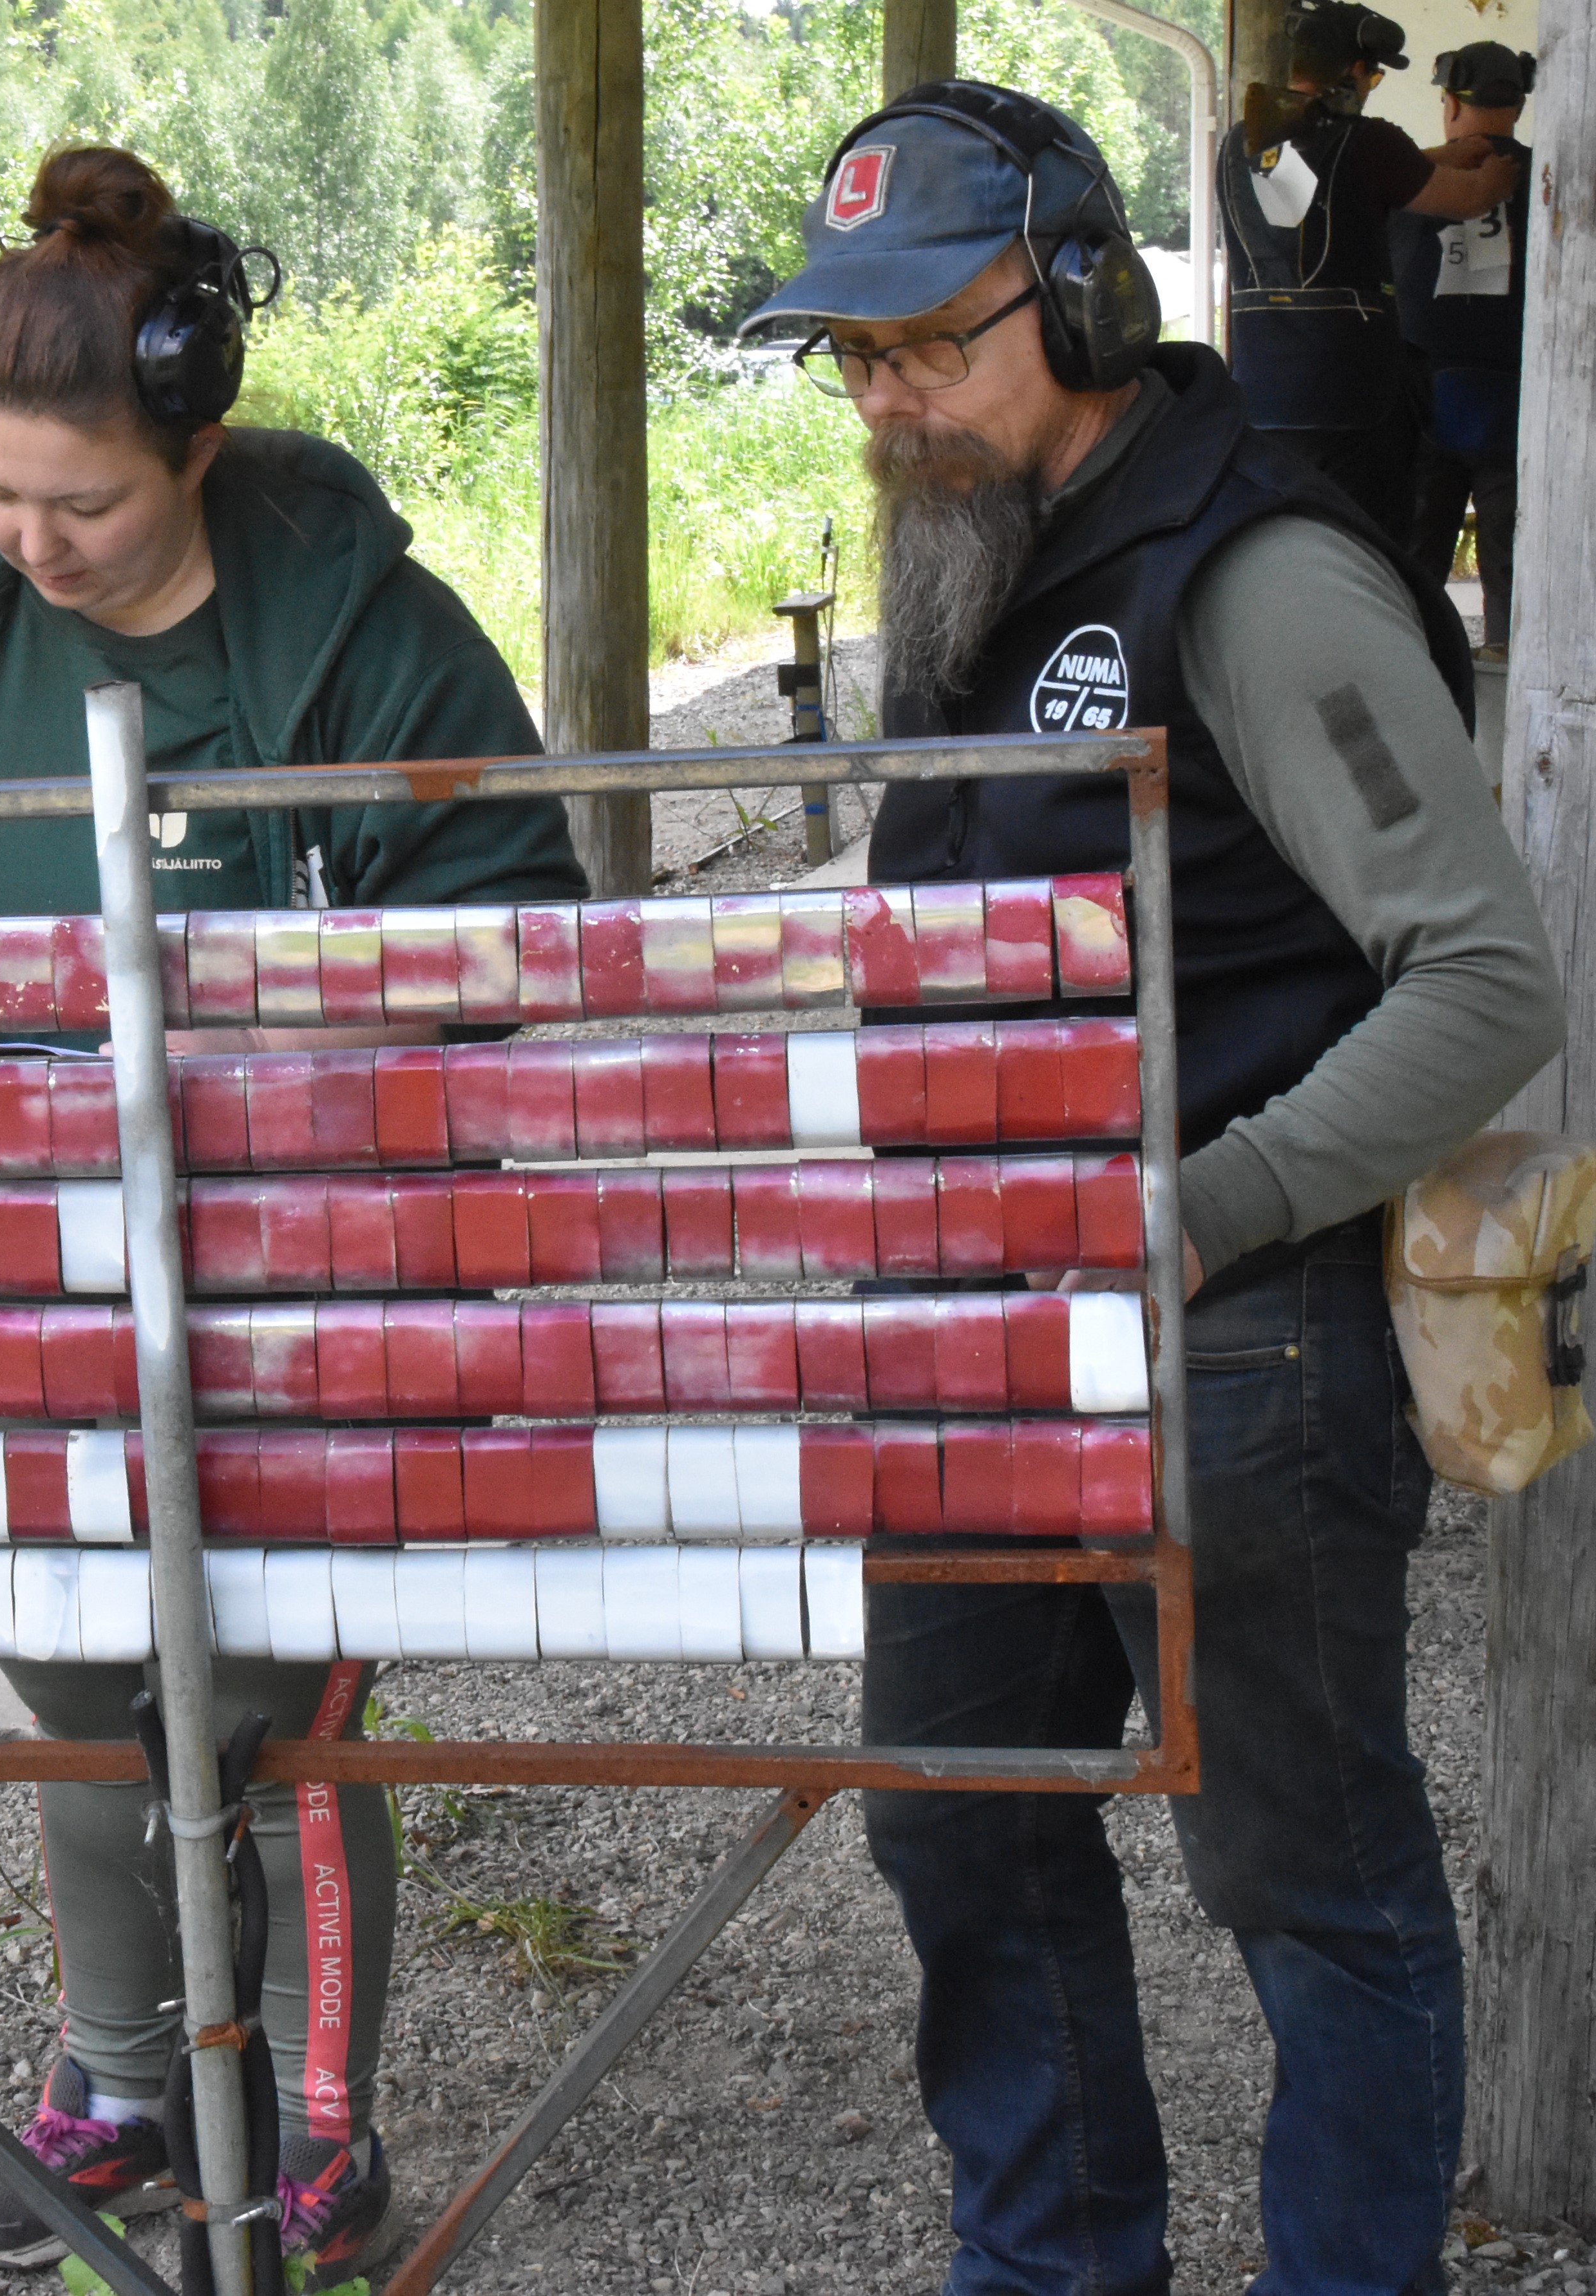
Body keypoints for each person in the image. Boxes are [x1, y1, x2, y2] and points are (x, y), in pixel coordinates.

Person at [0, 144, 585, 2289]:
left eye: (81, 506)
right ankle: (117, 2077)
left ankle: (315, 2111)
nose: (31, 544)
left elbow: (515, 939)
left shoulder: (367, 630)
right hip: (3, 1260)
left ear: (194, 445)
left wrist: (309, 1063)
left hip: (301, 1274)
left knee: (275, 1707)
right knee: (72, 1679)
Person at [741, 79, 1563, 2296]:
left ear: (1087, 303)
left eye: (928, 343)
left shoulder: (1262, 572)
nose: (884, 395)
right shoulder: (970, 556)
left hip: (1230, 1318)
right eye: (853, 354)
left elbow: (1485, 982)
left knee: (1306, 1881)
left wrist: (1202, 1203)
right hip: (974, 1321)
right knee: (958, 1827)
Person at [1218, 0, 1521, 541]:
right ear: (1353, 71)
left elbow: (1319, 184)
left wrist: (1438, 156)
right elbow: (1473, 198)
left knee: (1289, 546)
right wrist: (1503, 168)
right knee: (1373, 553)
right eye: (1375, 74)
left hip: (1263, 393)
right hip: (1351, 397)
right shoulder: (1367, 143)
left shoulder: (1242, 142)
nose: (1372, 86)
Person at [1392, 41, 1534, 655]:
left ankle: (1410, 667)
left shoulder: (1415, 182)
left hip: (1423, 398)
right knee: (1510, 562)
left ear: (1449, 104)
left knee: (1414, 566)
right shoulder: (1550, 178)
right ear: (1519, 105)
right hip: (1518, 402)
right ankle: (1505, 662)